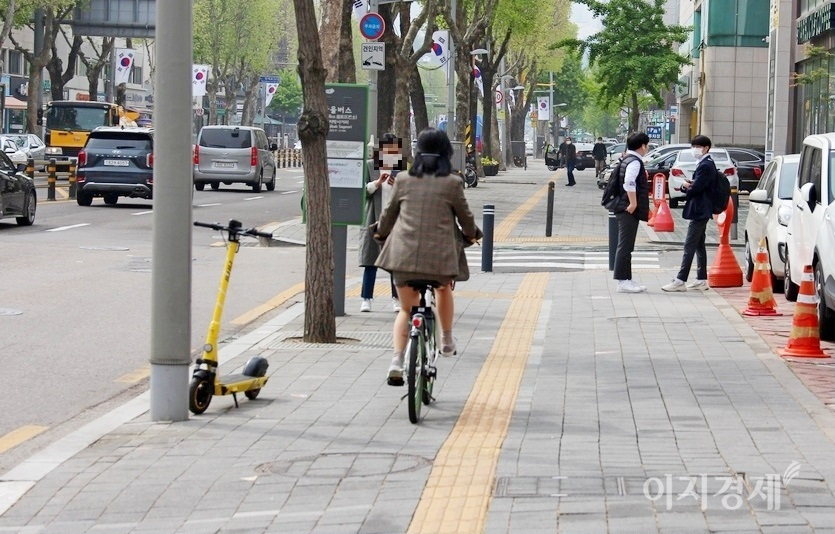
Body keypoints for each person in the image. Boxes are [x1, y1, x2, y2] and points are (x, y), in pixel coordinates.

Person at [374, 128, 482, 386]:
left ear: (418, 152)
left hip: (403, 257)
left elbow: (388, 218)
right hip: (440, 259)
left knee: (406, 308)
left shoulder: (403, 181)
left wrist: (380, 233)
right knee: (443, 289)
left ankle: (397, 361)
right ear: (447, 153)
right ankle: (446, 340)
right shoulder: (453, 183)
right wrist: (472, 235)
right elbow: (466, 219)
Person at [662, 135, 717, 292]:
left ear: (706, 148)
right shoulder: (706, 163)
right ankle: (701, 279)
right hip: (702, 208)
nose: (694, 150)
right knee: (699, 245)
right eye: (693, 146)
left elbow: (697, 188)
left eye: (697, 146)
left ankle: (680, 280)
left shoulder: (706, 165)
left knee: (689, 244)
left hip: (700, 209)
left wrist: (686, 187)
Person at [358, 133, 404, 312]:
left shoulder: (400, 171)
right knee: (370, 262)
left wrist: (397, 185)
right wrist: (376, 183)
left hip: (394, 222)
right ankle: (366, 298)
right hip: (372, 220)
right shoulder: (370, 167)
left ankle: (396, 298)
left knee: (394, 264)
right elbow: (362, 192)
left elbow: (407, 195)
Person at [613, 132, 651, 293]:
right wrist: (634, 203)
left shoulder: (628, 159)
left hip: (623, 206)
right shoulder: (634, 162)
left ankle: (627, 279)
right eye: (647, 145)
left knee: (627, 245)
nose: (647, 148)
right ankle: (622, 281)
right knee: (625, 245)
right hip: (627, 208)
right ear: (642, 146)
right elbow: (629, 182)